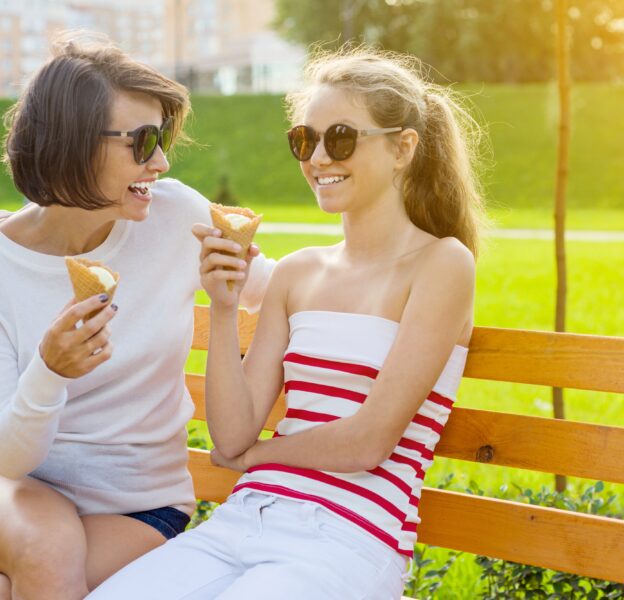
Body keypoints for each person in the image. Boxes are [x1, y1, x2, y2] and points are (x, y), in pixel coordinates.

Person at [87, 45, 485, 600]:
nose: (319, 157)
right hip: (241, 520)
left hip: (348, 538)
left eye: (341, 137)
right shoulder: (297, 273)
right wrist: (224, 308)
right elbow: (231, 432)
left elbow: (368, 442)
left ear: (403, 149)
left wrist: (255, 458)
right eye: (305, 139)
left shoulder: (442, 264)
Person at [0, 35, 273, 600]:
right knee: (47, 545)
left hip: (141, 505)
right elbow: (6, 455)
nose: (161, 162)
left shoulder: (176, 217)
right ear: (70, 144)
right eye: (142, 142)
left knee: (19, 584)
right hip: (7, 492)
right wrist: (48, 372)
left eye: (162, 138)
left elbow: (274, 291)